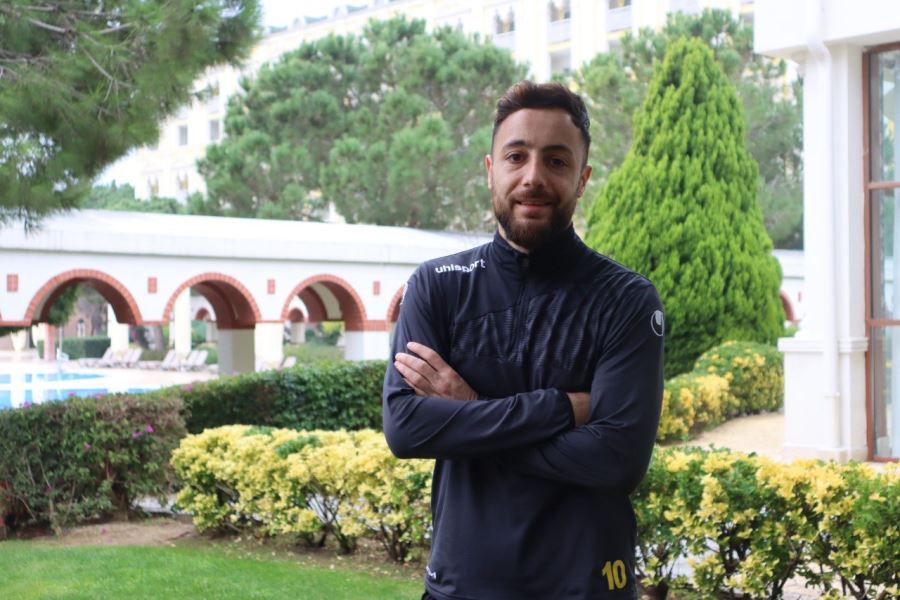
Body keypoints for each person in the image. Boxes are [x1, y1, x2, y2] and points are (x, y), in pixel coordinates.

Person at [382, 80, 664, 600]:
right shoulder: (437, 286)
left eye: (556, 161)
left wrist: (468, 408)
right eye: (517, 157)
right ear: (491, 170)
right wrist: (560, 408)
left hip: (585, 588)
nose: (533, 176)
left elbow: (616, 461)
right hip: (461, 587)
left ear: (582, 178)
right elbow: (406, 429)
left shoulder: (626, 300)